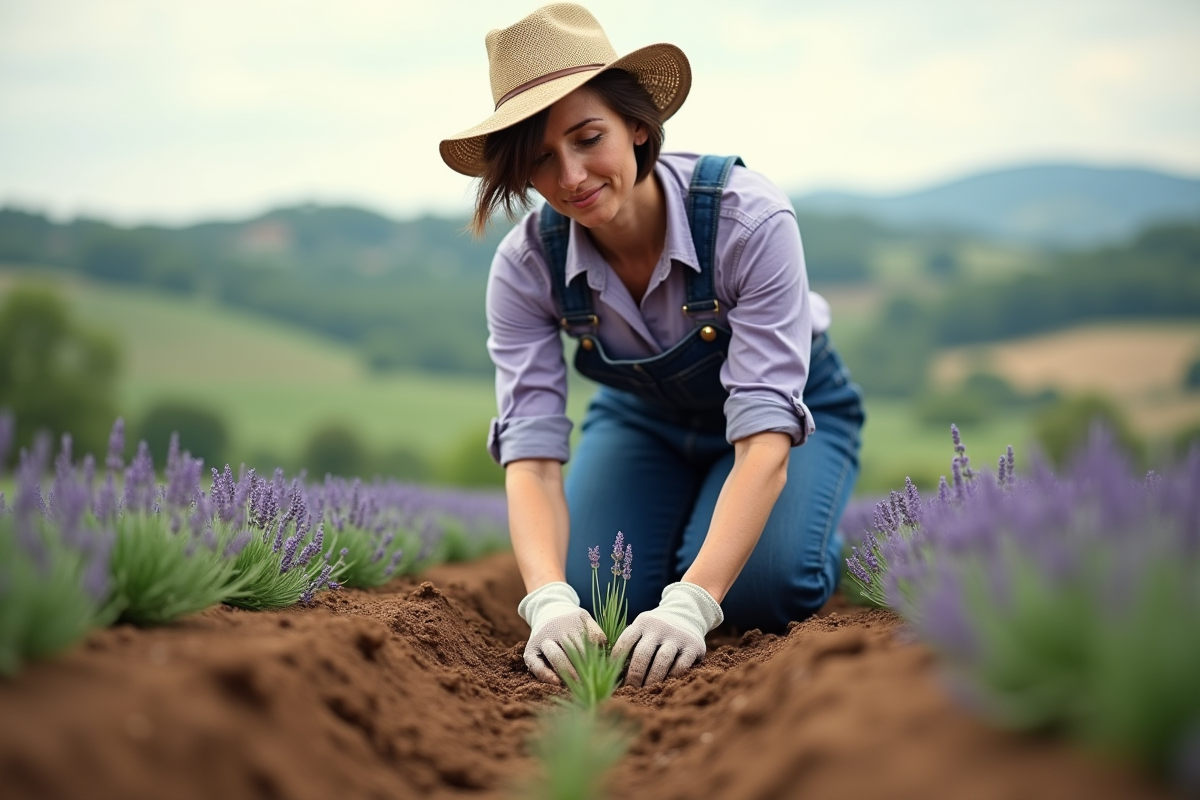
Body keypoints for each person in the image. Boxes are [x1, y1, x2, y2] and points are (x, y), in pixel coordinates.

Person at [438, 3, 864, 689]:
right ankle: (690, 538)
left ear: (639, 125)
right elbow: (534, 458)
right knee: (602, 593)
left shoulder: (747, 220)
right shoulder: (526, 267)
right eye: (541, 158)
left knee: (760, 592)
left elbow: (760, 443)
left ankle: (803, 542)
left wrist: (693, 604)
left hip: (784, 422)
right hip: (645, 422)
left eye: (587, 137)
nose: (571, 176)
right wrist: (546, 600)